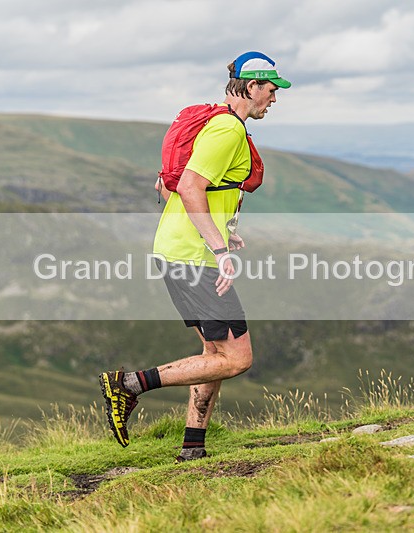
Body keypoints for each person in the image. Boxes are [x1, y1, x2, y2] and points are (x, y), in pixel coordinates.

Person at [100, 51, 290, 459]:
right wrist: (218, 248)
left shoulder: (211, 123)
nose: (274, 99)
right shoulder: (227, 130)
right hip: (194, 258)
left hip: (178, 249)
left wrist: (219, 229)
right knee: (238, 358)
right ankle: (130, 384)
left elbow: (166, 187)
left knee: (214, 354)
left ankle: (192, 447)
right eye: (271, 90)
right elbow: (188, 188)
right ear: (252, 86)